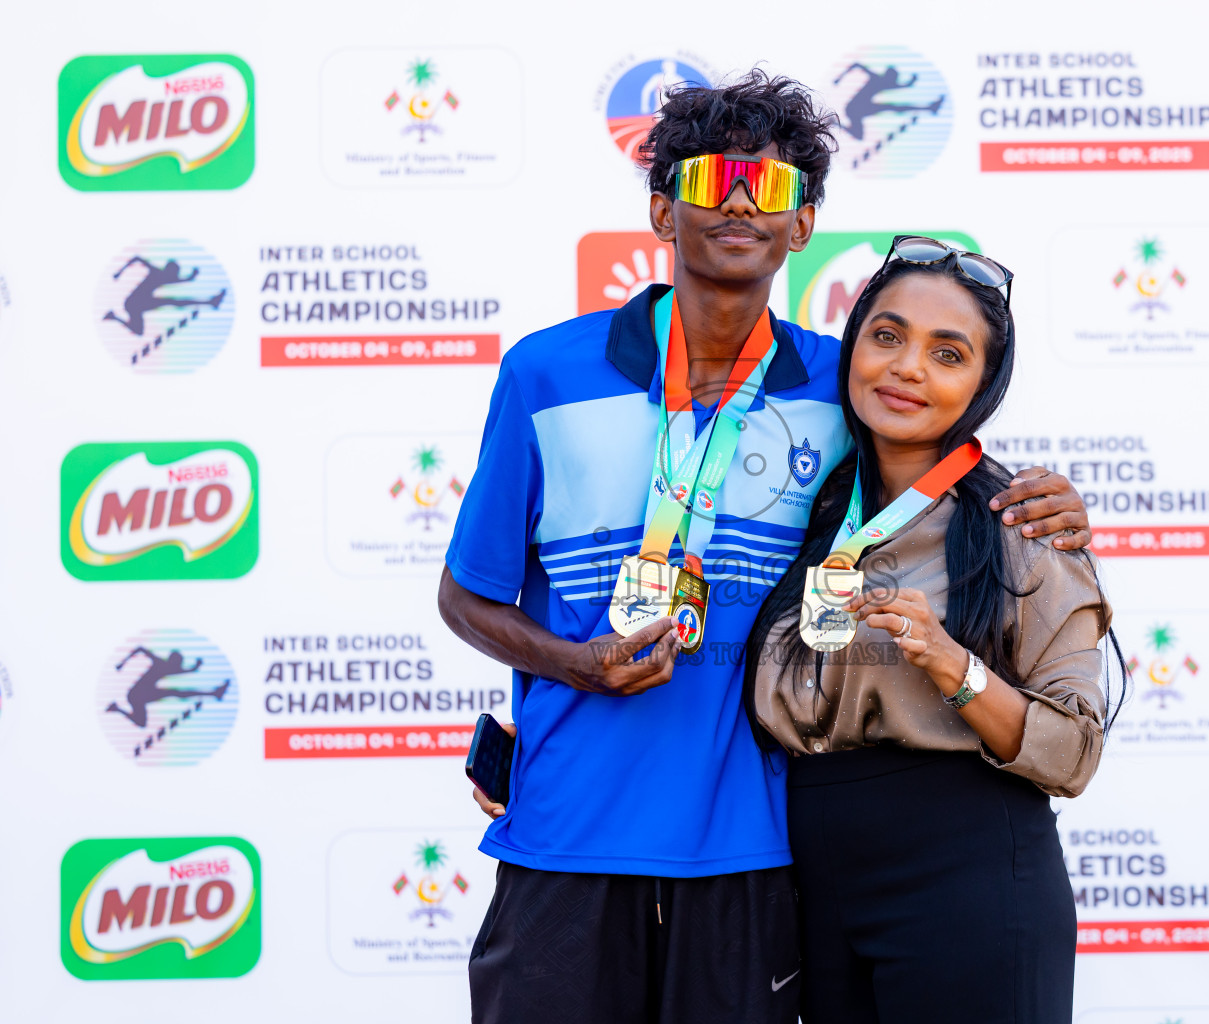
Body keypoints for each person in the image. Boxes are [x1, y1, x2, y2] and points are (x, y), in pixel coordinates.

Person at [441, 73, 1094, 1024]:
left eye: (773, 187)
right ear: (663, 209)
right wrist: (572, 664)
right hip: (566, 838)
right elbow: (467, 597)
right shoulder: (545, 372)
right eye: (712, 181)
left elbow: (947, 466)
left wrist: (1057, 505)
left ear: (804, 224)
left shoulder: (846, 389)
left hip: (756, 854)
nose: (743, 201)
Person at [745, 237, 1122, 1024]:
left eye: (947, 354)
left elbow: (1075, 753)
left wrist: (956, 667)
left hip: (970, 875)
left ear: (983, 386)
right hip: (812, 884)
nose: (907, 367)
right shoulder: (800, 509)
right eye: (886, 336)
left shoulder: (1022, 526)